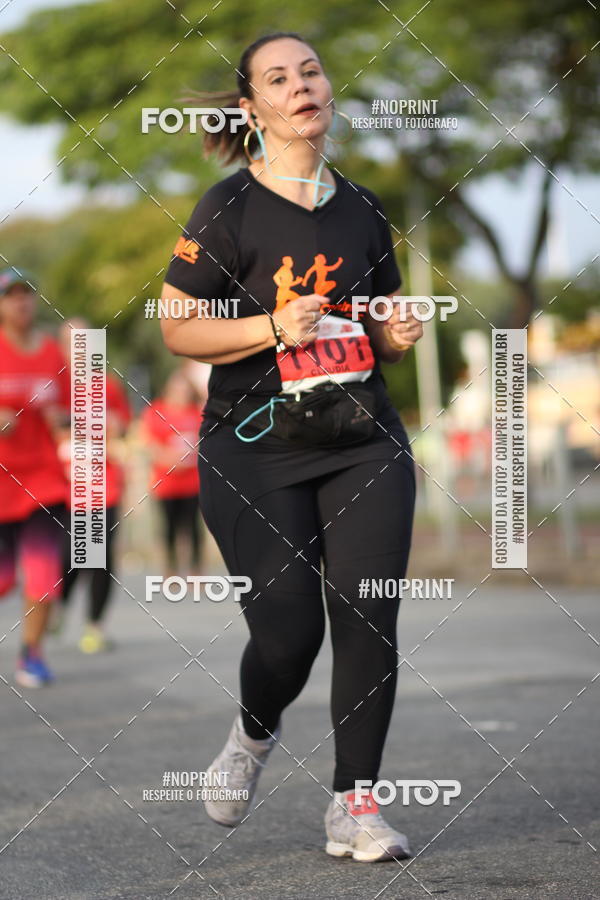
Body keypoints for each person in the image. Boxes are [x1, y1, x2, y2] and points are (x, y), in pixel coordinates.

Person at [159, 32, 423, 862]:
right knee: (286, 636)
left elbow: (374, 321)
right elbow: (177, 327)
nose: (300, 84)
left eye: (309, 70)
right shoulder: (226, 209)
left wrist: (395, 332)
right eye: (279, 78)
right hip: (254, 451)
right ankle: (251, 736)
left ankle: (356, 805)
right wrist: (273, 324)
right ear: (253, 108)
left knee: (367, 614)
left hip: (361, 440)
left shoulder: (365, 207)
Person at [0, 269, 70, 687]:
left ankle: (32, 654)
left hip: (43, 480)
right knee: (5, 579)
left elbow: (67, 406)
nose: (22, 303)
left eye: (27, 295)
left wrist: (64, 417)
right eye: (12, 296)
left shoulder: (50, 353)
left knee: (44, 574)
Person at [51, 318, 132, 653]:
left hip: (102, 482)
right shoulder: (51, 384)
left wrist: (113, 425)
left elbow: (123, 425)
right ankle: (58, 602)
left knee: (99, 556)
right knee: (68, 554)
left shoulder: (107, 385)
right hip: (59, 484)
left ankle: (94, 626)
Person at [141, 369, 205, 576]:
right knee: (169, 527)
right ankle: (171, 569)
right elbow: (149, 444)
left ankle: (196, 570)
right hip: (166, 483)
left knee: (194, 527)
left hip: (192, 482)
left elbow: (204, 442)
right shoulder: (156, 411)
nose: (181, 392)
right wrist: (171, 460)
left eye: (185, 388)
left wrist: (191, 455)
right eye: (177, 388)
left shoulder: (197, 412)